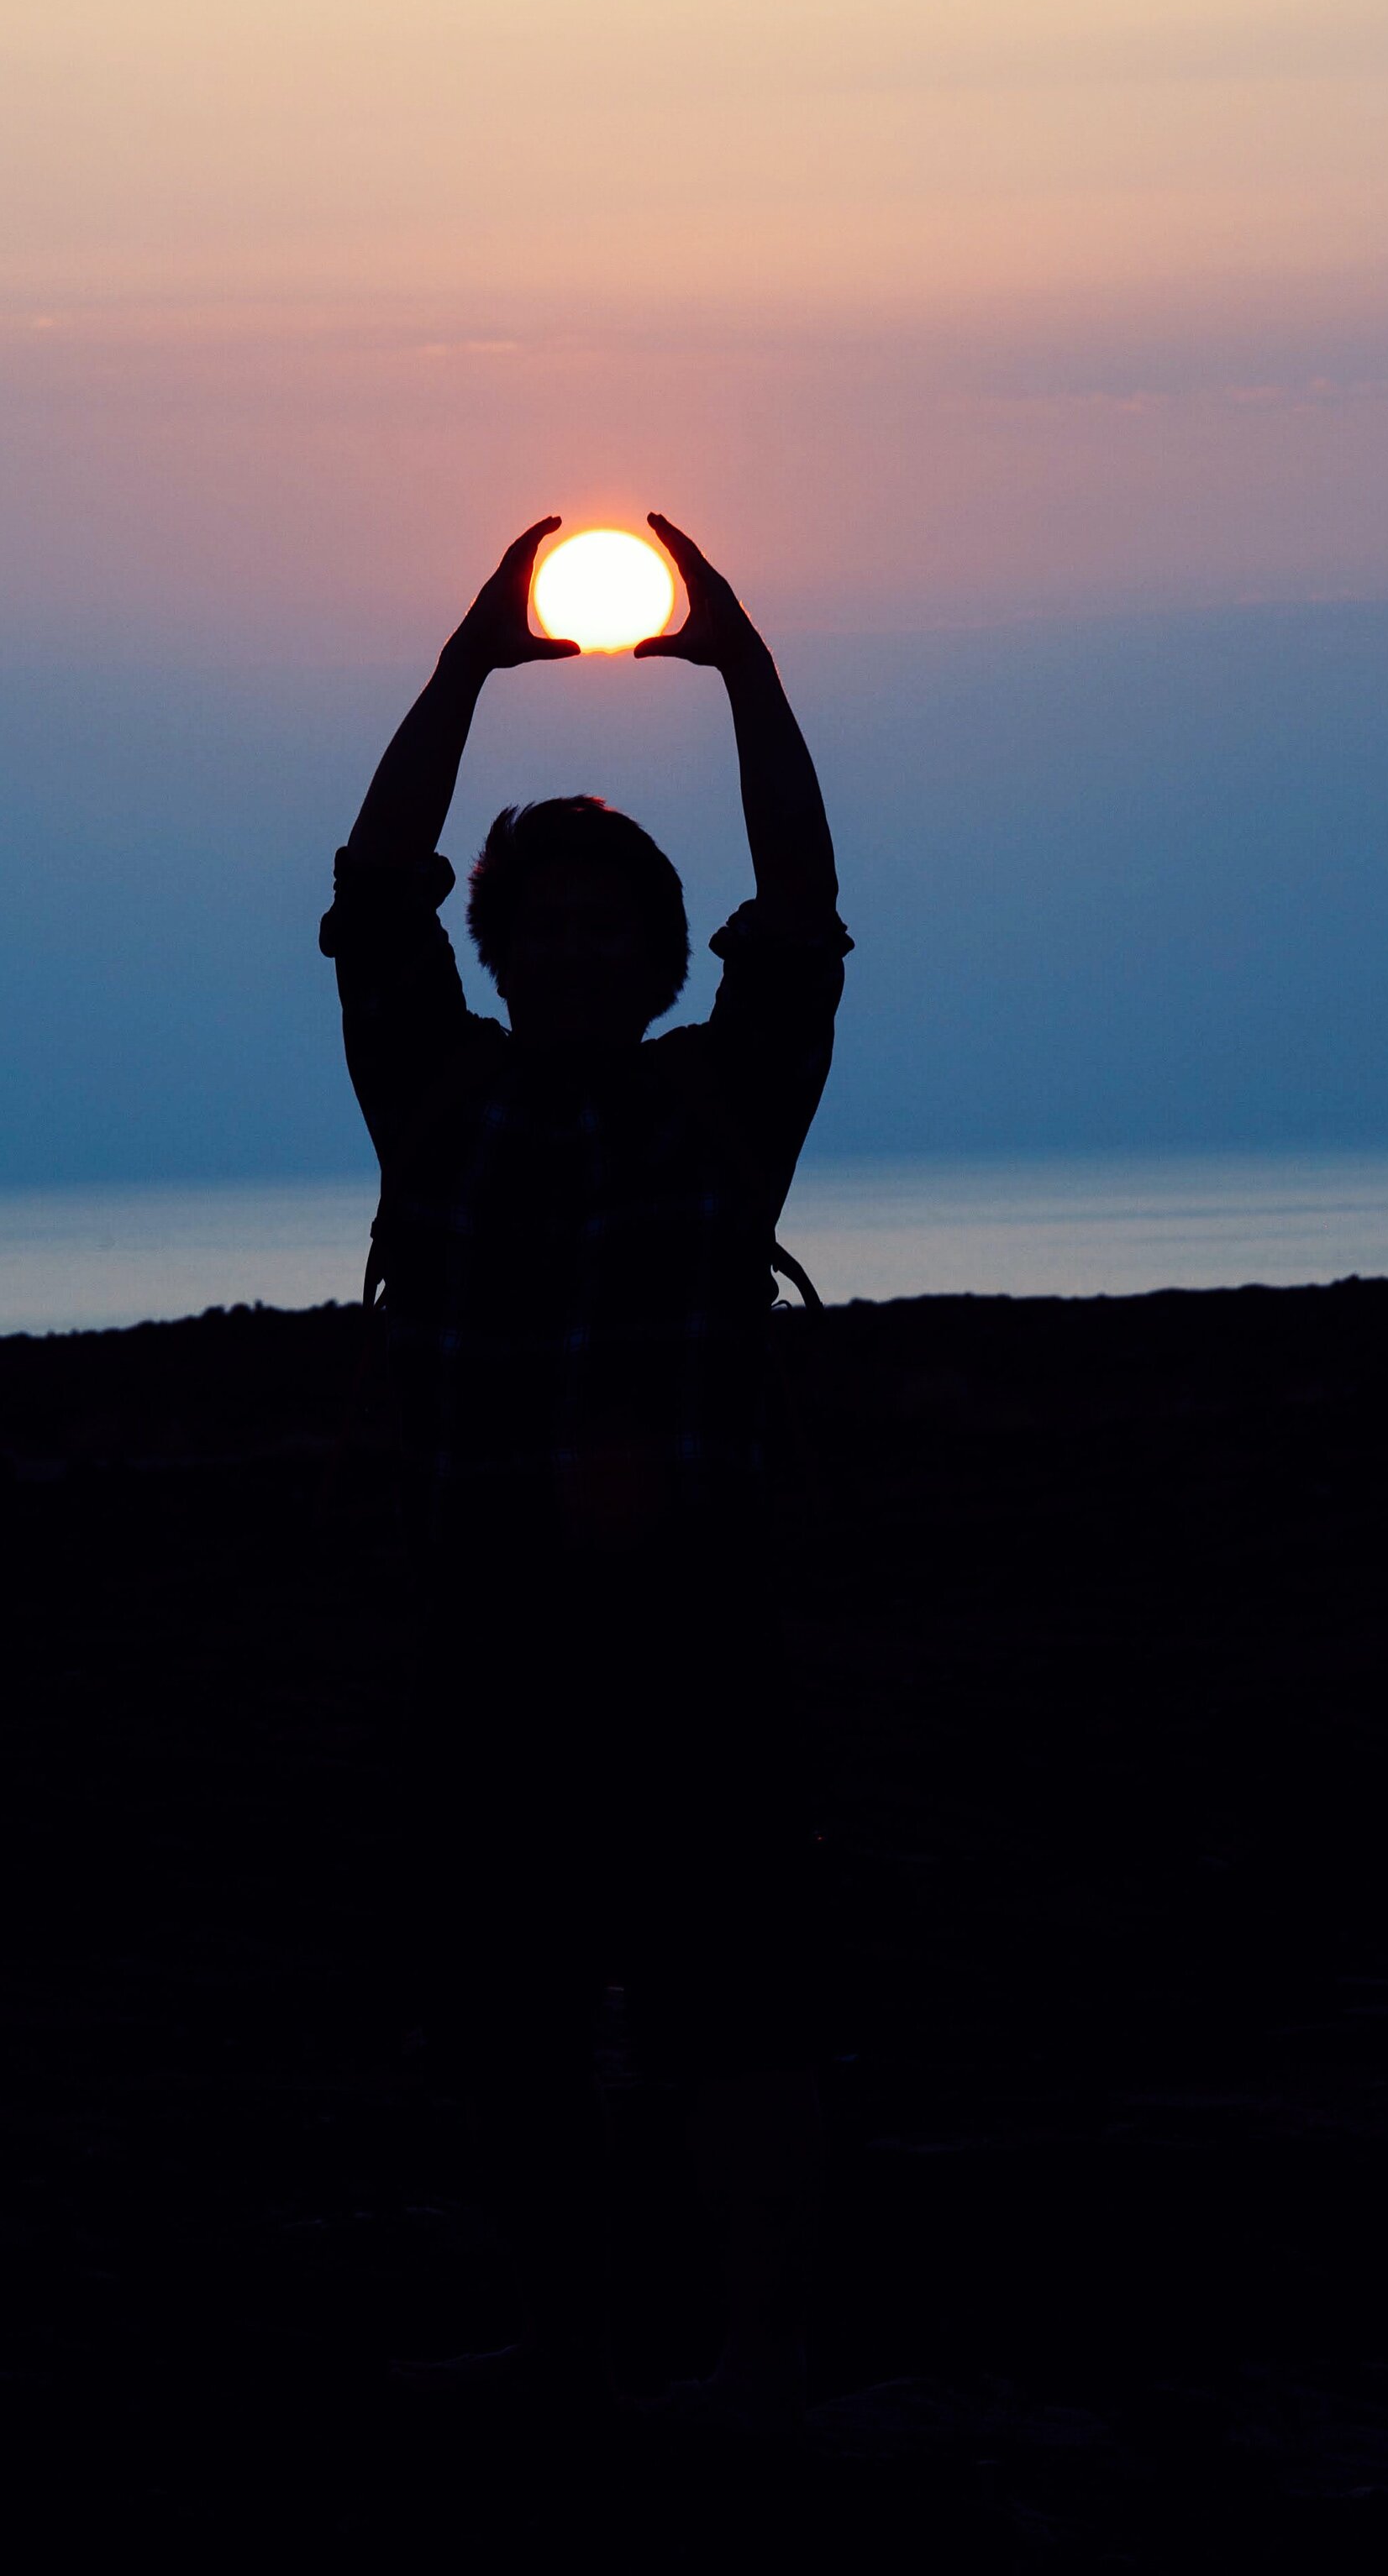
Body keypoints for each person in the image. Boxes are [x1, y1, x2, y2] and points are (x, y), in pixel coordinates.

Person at [319, 512, 850, 2432]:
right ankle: (566, 2335)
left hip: (692, 1627)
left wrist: (746, 667)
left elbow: (797, 903)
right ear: (501, 944)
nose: (569, 941)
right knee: (510, 2014)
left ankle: (764, 2349)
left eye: (606, 920)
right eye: (536, 917)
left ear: (649, 949)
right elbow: (377, 887)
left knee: (733, 2001)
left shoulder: (723, 1100)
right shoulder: (433, 1092)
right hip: (487, 1628)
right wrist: (468, 656)